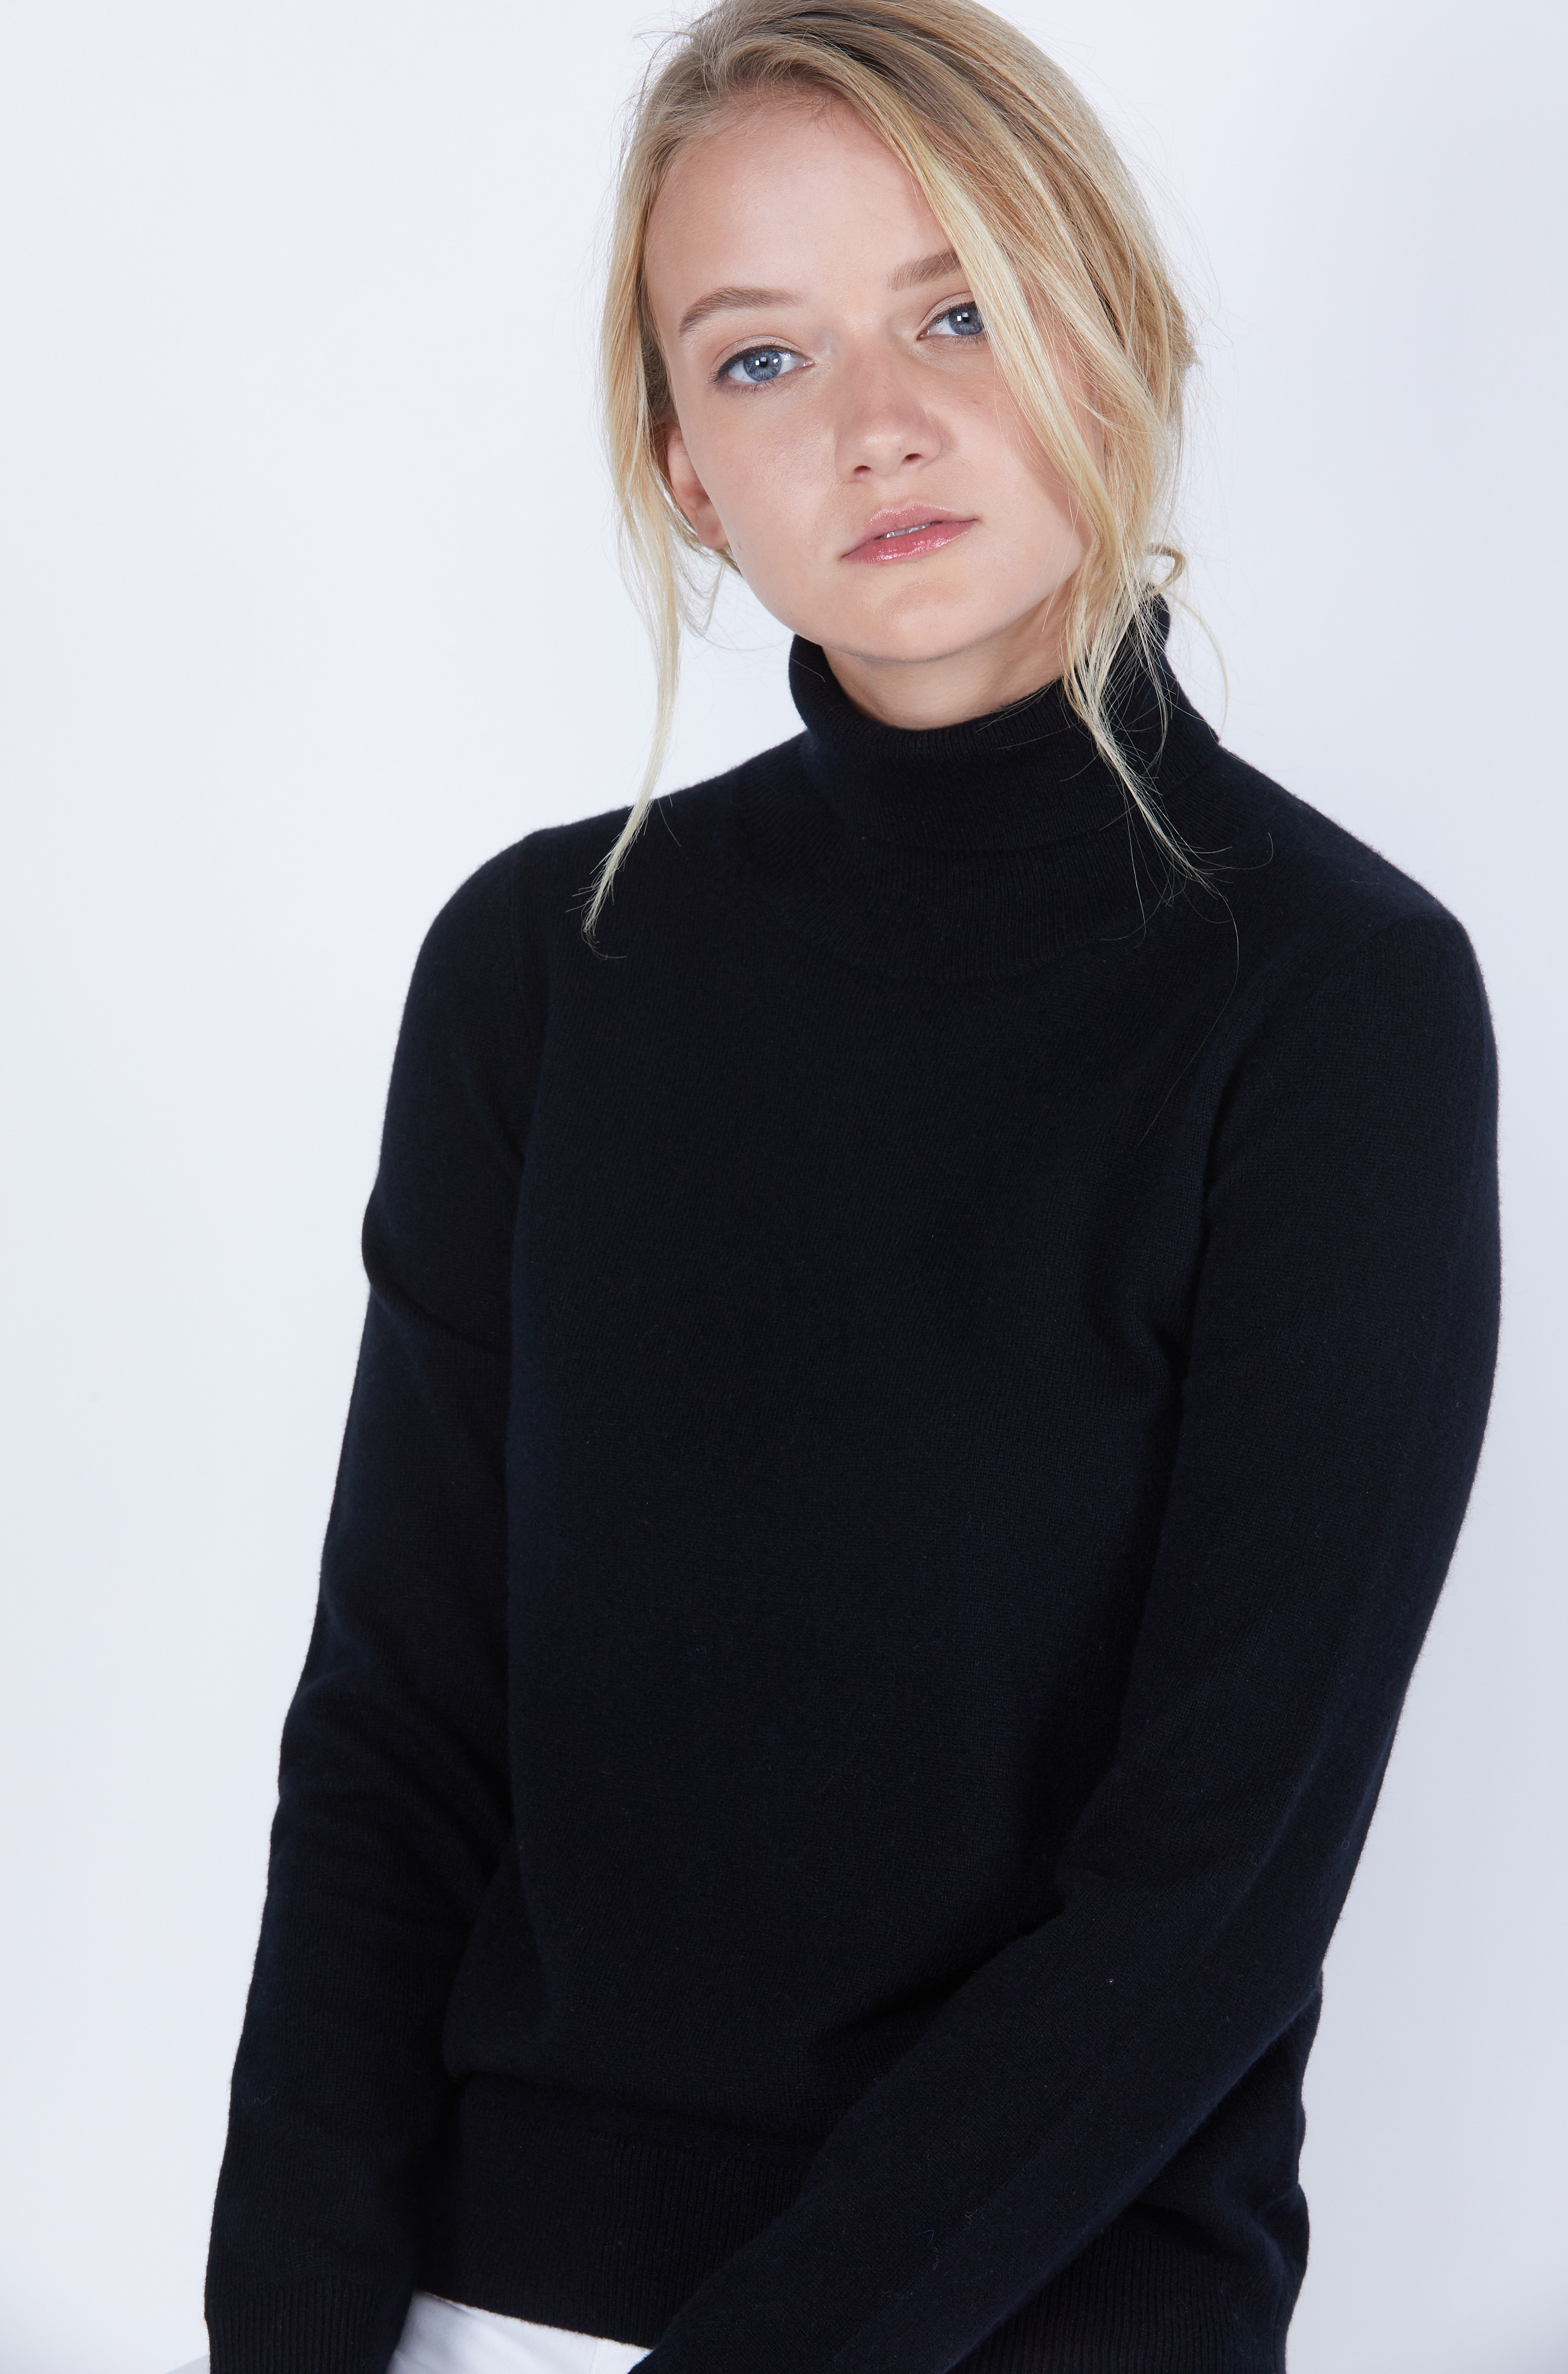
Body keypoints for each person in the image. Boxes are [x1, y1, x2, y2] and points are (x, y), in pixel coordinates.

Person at [199, 3, 1501, 2371]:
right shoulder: (539, 966)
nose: (876, 422)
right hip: (490, 2307)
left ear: (1119, 330)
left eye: (960, 311)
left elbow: (1210, 1891)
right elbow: (395, 1737)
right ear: (686, 467)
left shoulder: (1334, 1002)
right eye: (763, 357)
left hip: (1034, 2326)